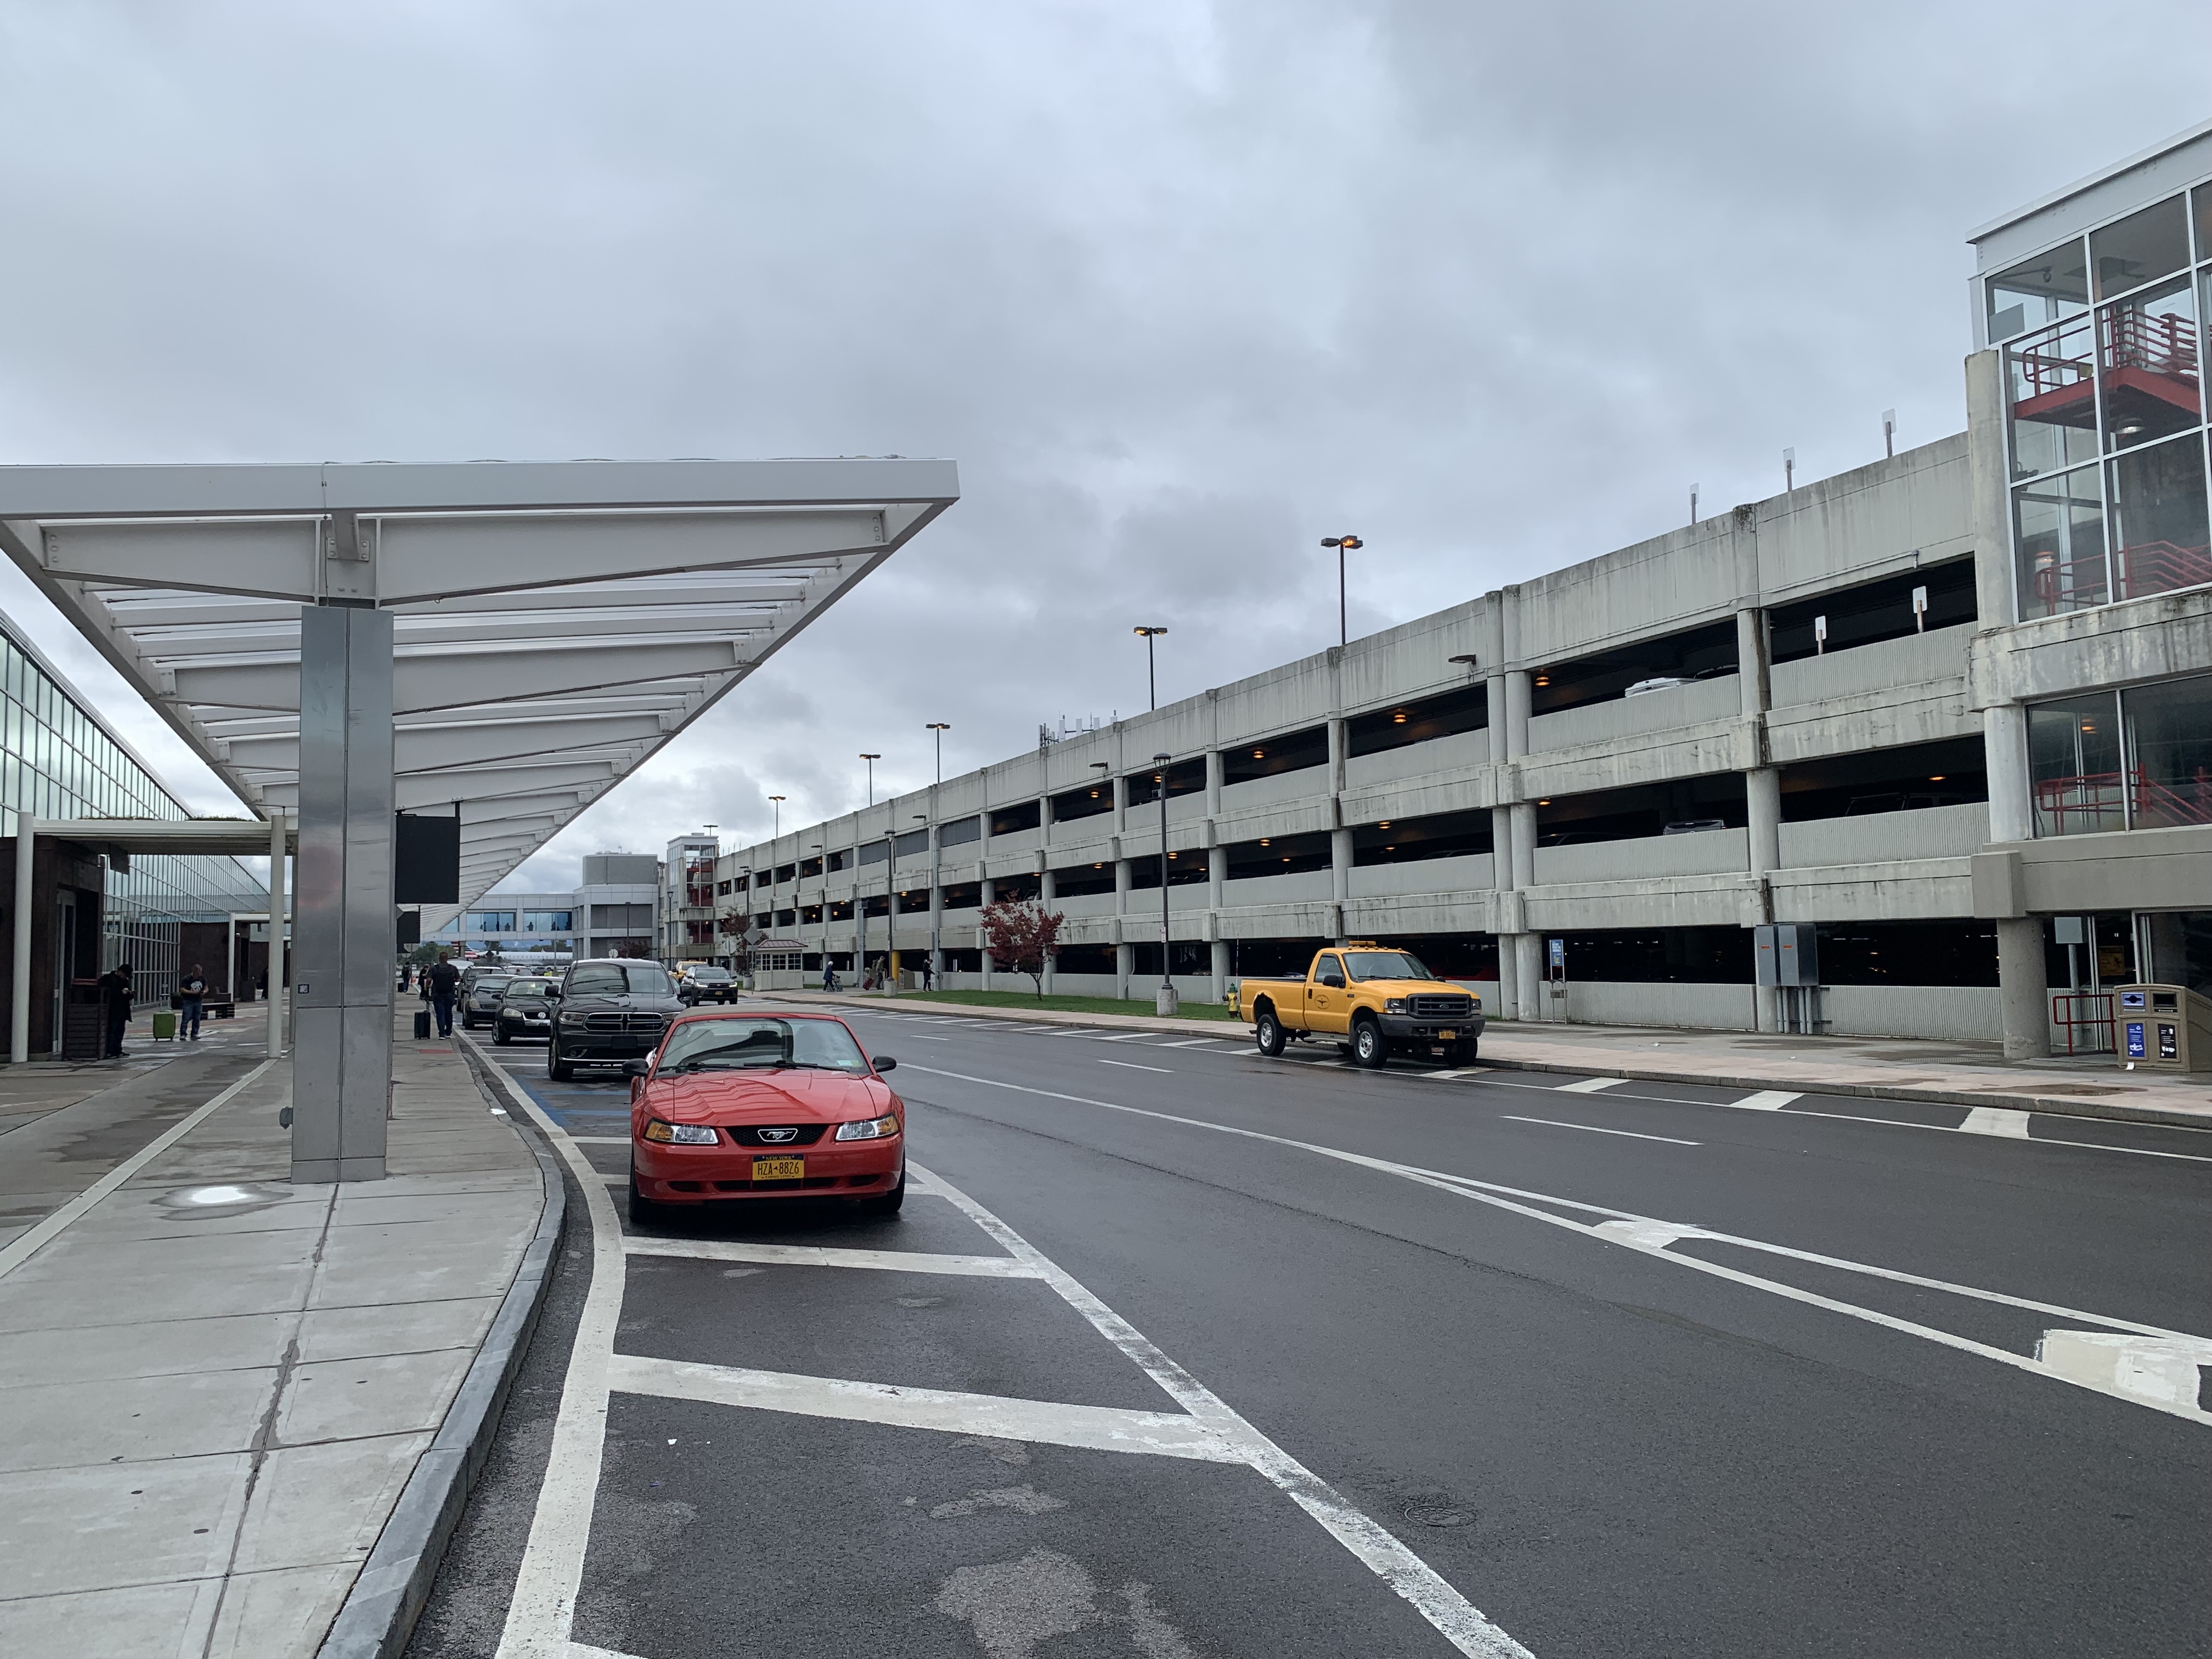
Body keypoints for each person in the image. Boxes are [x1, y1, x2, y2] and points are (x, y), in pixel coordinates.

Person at [98, 961, 134, 1058]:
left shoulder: (125, 981)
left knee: (120, 1031)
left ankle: (118, 1050)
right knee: (112, 1031)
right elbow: (109, 993)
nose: (126, 978)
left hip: (122, 1011)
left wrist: (129, 993)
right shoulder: (109, 979)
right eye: (125, 975)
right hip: (112, 1010)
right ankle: (110, 1051)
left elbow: (129, 996)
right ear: (120, 972)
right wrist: (121, 993)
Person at [426, 950, 461, 1037]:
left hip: (437, 994)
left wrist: (427, 989)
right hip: (450, 994)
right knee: (448, 1012)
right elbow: (458, 979)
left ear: (439, 959)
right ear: (447, 959)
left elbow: (429, 980)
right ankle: (448, 1032)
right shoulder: (453, 968)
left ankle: (442, 1034)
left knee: (440, 1014)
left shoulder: (434, 968)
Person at [178, 963, 208, 1042]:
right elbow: (182, 989)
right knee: (186, 1017)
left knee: (197, 1018)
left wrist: (204, 992)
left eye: (200, 972)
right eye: (198, 972)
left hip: (198, 1001)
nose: (199, 974)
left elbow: (206, 987)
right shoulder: (187, 979)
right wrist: (191, 992)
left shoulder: (202, 979)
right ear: (194, 971)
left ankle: (195, 1033)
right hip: (188, 1000)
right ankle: (183, 1033)